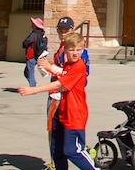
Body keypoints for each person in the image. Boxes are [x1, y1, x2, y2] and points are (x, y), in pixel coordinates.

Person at [18, 32, 93, 170]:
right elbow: (63, 72)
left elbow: (60, 84)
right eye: (72, 50)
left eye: (78, 50)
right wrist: (49, 67)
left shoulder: (79, 66)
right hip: (62, 113)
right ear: (65, 50)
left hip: (75, 116)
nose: (75, 53)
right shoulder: (69, 64)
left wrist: (33, 90)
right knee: (57, 150)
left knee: (72, 151)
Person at [38, 16, 91, 169]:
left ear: (72, 30)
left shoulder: (78, 52)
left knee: (69, 144)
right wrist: (47, 68)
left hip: (66, 97)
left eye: (66, 30)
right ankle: (56, 162)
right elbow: (62, 71)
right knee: (56, 136)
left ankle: (82, 156)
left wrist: (52, 69)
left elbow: (77, 76)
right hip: (57, 94)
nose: (63, 33)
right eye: (60, 30)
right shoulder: (62, 48)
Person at [22, 17, 48, 87]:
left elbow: (26, 42)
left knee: (30, 71)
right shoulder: (42, 34)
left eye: (33, 24)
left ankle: (33, 86)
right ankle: (34, 83)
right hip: (38, 55)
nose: (31, 25)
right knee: (26, 72)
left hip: (31, 56)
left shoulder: (34, 34)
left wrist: (24, 44)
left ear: (35, 26)